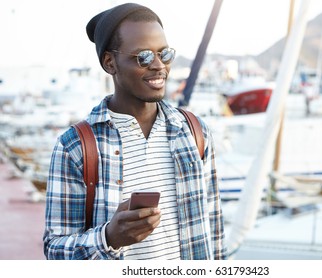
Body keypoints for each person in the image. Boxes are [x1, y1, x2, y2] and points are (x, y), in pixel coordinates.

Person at [43, 2, 227, 260]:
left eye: (164, 54)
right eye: (144, 57)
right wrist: (109, 238)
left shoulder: (194, 131)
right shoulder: (76, 146)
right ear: (110, 63)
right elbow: (54, 250)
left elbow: (214, 229)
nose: (158, 66)